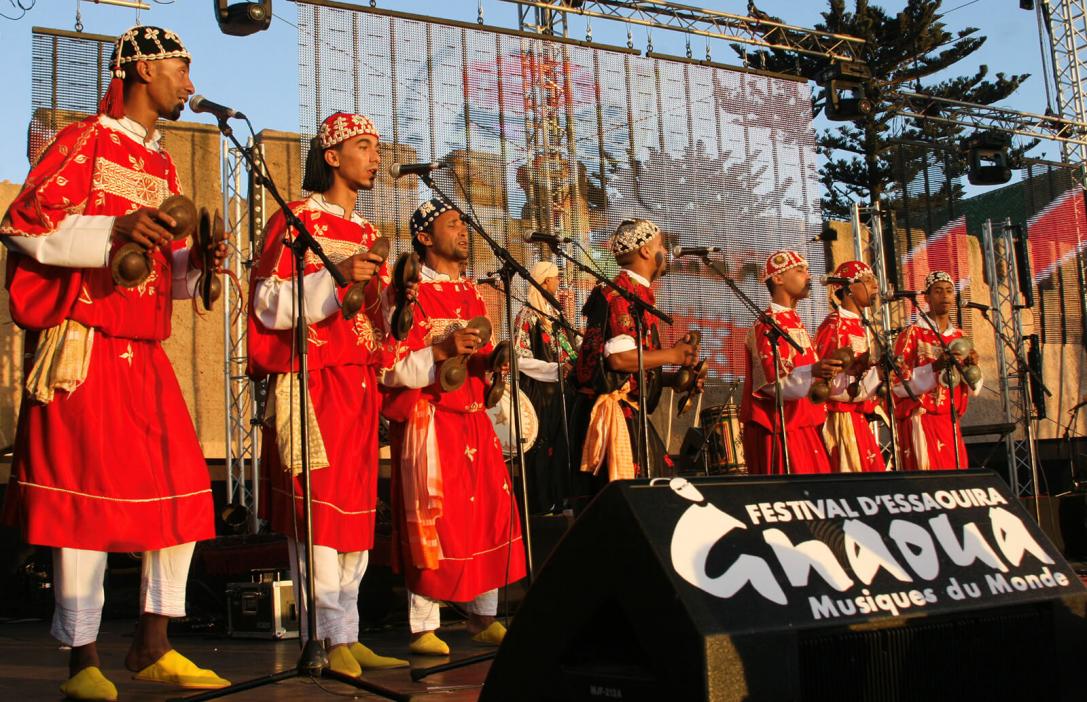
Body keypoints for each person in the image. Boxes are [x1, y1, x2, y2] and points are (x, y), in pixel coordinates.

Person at [0, 25, 229, 700]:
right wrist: (112, 229)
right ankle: (82, 659)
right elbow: (21, 224)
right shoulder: (82, 141)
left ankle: (153, 643)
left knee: (185, 491)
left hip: (144, 348)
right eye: (180, 71)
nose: (189, 85)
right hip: (87, 343)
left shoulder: (162, 166)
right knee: (86, 504)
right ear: (140, 70)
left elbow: (161, 271)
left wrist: (194, 265)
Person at [247, 112, 409, 678]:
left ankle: (347, 631)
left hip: (359, 378)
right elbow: (267, 301)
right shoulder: (296, 219)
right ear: (332, 155)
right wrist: (334, 277)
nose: (375, 156)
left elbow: (377, 317)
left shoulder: (368, 232)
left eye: (377, 146)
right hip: (315, 374)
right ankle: (320, 634)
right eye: (364, 145)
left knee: (356, 514)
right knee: (318, 510)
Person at [380, 198, 526, 656]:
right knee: (432, 518)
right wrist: (441, 350)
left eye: (464, 223)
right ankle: (424, 625)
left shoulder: (472, 293)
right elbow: (391, 367)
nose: (464, 232)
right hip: (429, 421)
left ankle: (483, 616)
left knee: (485, 513)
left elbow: (476, 363)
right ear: (424, 238)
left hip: (472, 419)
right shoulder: (405, 293)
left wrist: (495, 364)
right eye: (452, 224)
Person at [570, 218, 697, 491]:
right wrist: (672, 355)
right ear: (646, 251)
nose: (665, 251)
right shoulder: (622, 293)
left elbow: (624, 368)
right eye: (661, 244)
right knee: (647, 497)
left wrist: (674, 379)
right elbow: (618, 359)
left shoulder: (633, 291)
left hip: (627, 410)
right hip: (615, 416)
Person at [740, 250, 841, 475]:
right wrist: (813, 370)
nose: (809, 276)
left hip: (804, 423)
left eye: (807, 270)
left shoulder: (793, 321)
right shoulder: (766, 324)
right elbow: (770, 383)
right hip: (781, 428)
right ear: (778, 279)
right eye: (799, 271)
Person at [892, 271, 982, 470]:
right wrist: (935, 367)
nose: (945, 296)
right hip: (922, 418)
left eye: (949, 291)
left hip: (949, 420)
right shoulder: (912, 334)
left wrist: (972, 366)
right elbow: (897, 383)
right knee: (928, 477)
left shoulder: (960, 336)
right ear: (926, 297)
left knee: (955, 479)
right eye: (938, 291)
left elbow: (974, 386)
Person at [511, 260, 577, 514]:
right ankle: (542, 505)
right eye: (555, 278)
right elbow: (520, 358)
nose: (558, 282)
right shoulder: (527, 316)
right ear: (545, 282)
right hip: (540, 394)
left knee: (564, 446)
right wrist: (554, 371)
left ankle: (564, 498)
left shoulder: (556, 315)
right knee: (541, 448)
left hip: (564, 392)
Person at [814, 260, 886, 472]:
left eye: (874, 280)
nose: (874, 286)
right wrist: (876, 375)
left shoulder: (860, 325)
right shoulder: (834, 325)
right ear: (847, 289)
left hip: (857, 417)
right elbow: (827, 383)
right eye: (866, 280)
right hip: (840, 420)